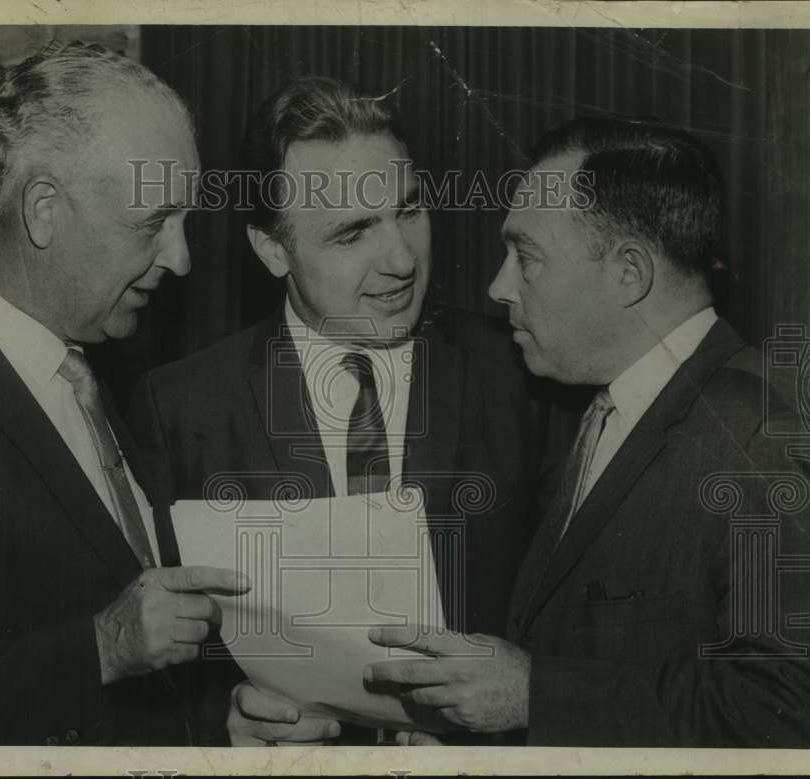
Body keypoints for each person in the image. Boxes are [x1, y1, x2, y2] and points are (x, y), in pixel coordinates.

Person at [128, 76, 573, 746]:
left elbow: (581, 622)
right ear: (272, 249)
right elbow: (156, 667)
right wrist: (225, 719)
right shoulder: (181, 406)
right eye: (353, 231)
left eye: (410, 210)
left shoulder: (521, 370)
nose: (400, 259)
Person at [366, 116, 810, 747]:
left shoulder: (760, 433)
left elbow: (795, 714)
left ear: (629, 274)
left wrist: (533, 695)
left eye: (526, 258)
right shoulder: (607, 408)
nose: (499, 287)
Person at [0, 41, 247, 747]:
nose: (181, 257)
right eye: (154, 223)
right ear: (43, 210)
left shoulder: (102, 383)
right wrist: (99, 648)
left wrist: (218, 729)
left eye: (186, 220)